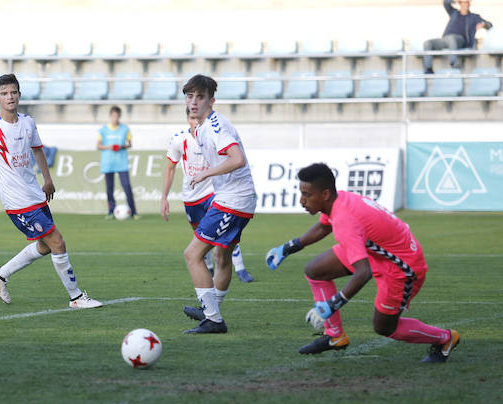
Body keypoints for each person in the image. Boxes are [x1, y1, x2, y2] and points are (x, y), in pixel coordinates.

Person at [265, 162, 460, 363]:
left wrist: (332, 305)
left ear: (324, 194)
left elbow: (362, 272)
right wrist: (289, 247)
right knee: (315, 270)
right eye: (301, 193)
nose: (302, 200)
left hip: (401, 266)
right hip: (377, 252)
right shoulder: (338, 200)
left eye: (307, 195)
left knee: (384, 327)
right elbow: (324, 226)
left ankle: (445, 338)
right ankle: (335, 336)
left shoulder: (345, 221)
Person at [0, 73, 103, 310]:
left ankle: (0, 274)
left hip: (35, 194)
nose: (9, 97)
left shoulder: (27, 122)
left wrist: (47, 179)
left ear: (19, 95)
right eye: (4, 93)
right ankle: (76, 298)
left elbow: (37, 150)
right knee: (58, 242)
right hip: (18, 202)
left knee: (45, 246)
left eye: (13, 92)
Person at [179, 75, 257, 335]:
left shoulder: (214, 126)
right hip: (233, 197)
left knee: (192, 254)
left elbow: (237, 159)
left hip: (233, 200)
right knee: (221, 256)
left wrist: (206, 173)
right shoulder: (200, 126)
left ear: (211, 100)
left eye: (200, 97)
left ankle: (213, 318)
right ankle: (210, 310)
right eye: (190, 96)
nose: (193, 102)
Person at [162, 108, 254, 284]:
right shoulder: (179, 140)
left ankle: (240, 268)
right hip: (191, 196)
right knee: (201, 236)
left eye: (197, 118)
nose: (195, 122)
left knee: (224, 233)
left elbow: (233, 158)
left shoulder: (210, 135)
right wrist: (164, 197)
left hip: (214, 193)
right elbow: (170, 168)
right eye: (191, 118)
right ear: (187, 119)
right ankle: (209, 268)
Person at [423, 0, 493, 74]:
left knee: (452, 38)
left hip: (461, 40)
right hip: (445, 39)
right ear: (460, 3)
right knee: (427, 43)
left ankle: (453, 63)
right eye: (465, 2)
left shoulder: (474, 17)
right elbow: (445, 2)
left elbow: (490, 25)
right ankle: (428, 68)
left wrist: (484, 24)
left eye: (468, 2)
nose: (467, 4)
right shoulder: (454, 13)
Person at [96, 106, 138, 220]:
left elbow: (130, 144)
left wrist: (121, 146)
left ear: (119, 116)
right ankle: (111, 211)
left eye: (117, 116)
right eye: (113, 116)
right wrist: (109, 146)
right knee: (109, 188)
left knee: (127, 186)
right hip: (108, 162)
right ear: (110, 116)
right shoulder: (103, 130)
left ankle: (134, 212)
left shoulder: (125, 129)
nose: (115, 118)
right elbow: (98, 146)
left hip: (121, 162)